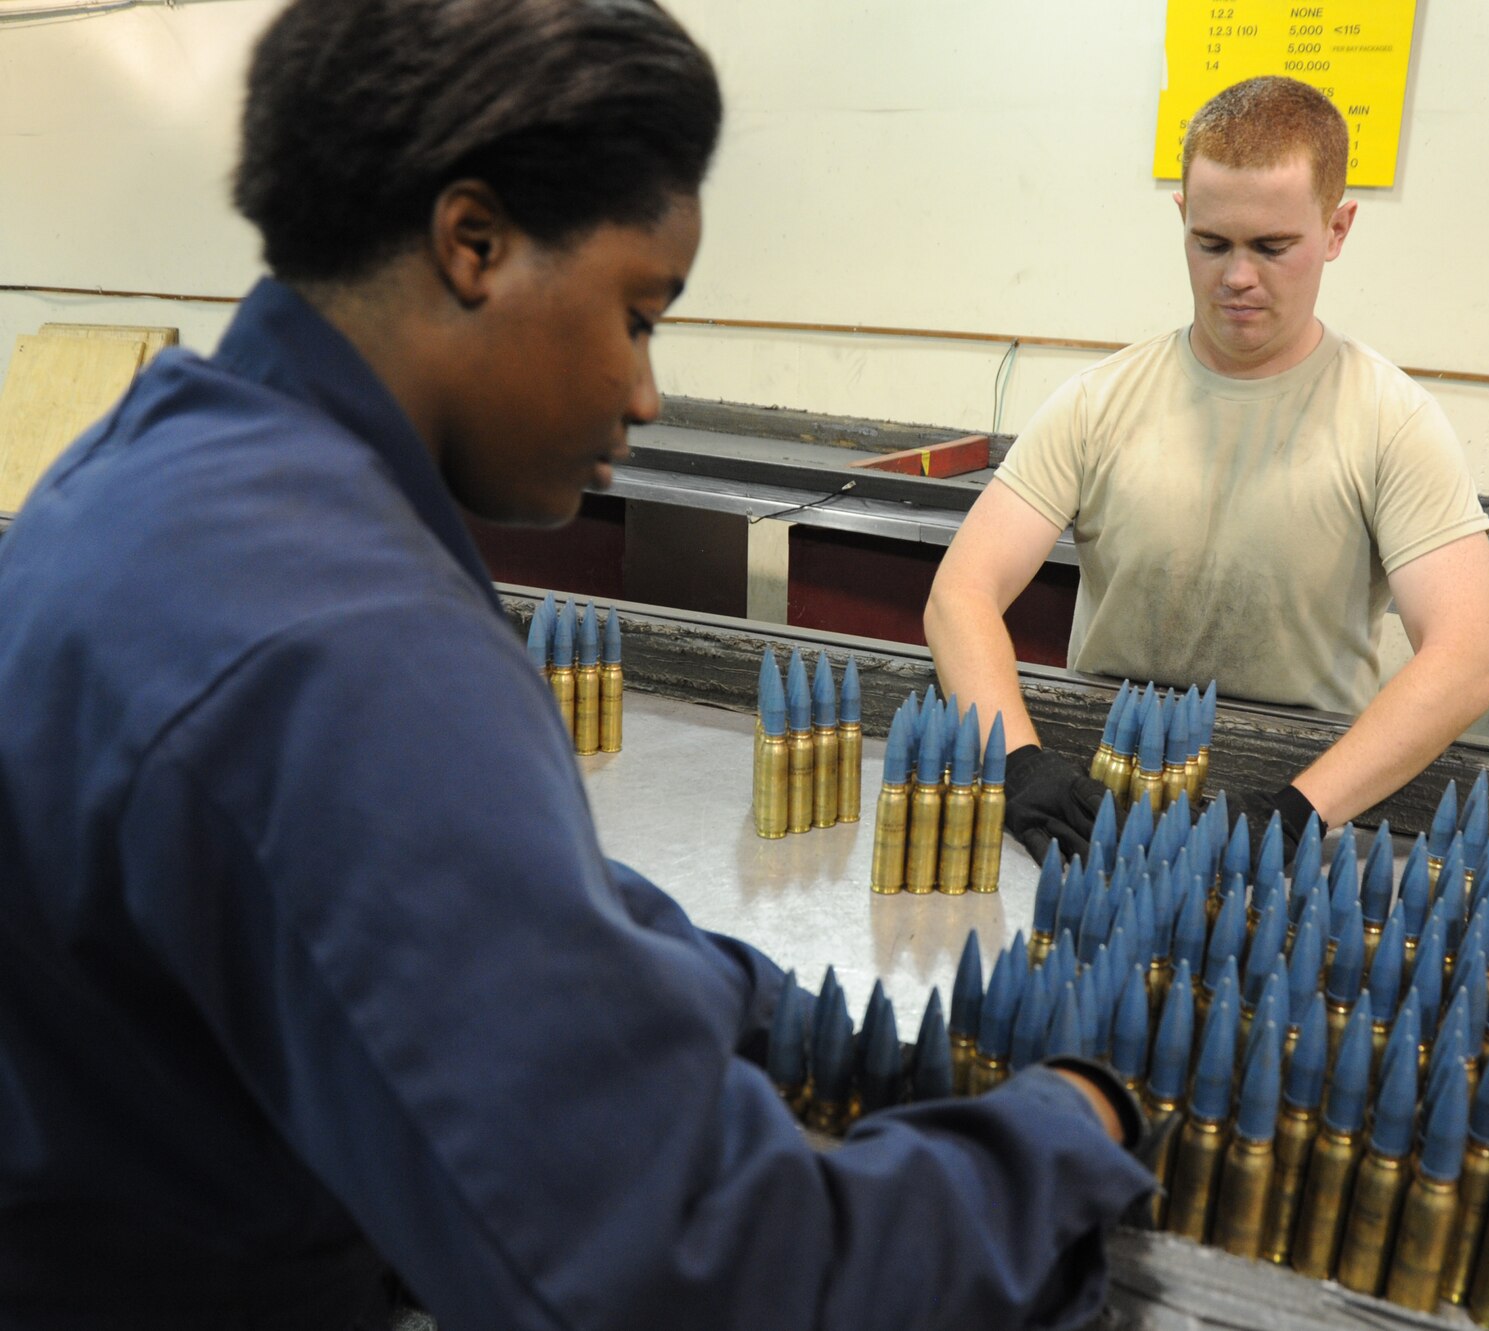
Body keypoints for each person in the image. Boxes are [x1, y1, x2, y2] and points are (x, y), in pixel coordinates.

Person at [0, 2, 1150, 1327]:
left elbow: (422, 882)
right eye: (641, 311)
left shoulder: (140, 469)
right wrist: (1063, 1133)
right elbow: (696, 1272)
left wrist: (734, 994)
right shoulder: (349, 644)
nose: (648, 391)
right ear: (473, 243)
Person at [925, 76, 1489, 864]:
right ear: (1182, 220)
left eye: (1273, 247)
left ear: (1337, 229)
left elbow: (1469, 655)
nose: (1237, 276)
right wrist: (1023, 765)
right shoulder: (1099, 403)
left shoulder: (1391, 422)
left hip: (1299, 804)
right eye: (1212, 243)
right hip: (1103, 796)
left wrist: (1300, 808)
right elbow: (960, 594)